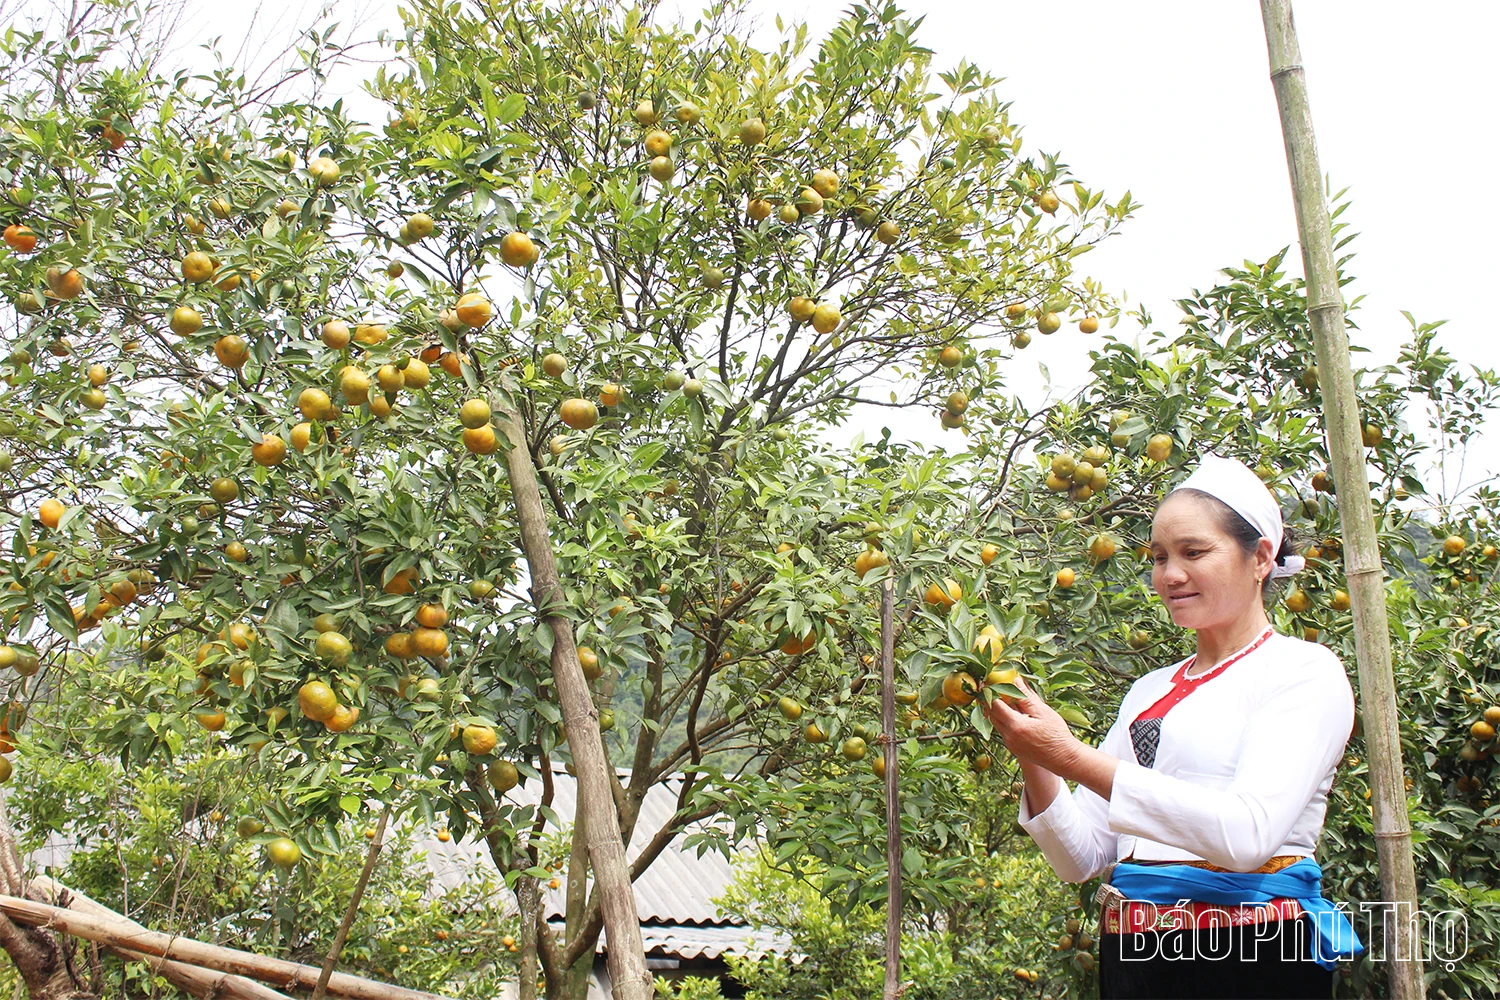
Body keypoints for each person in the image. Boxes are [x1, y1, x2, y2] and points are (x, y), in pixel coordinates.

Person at [988, 454, 1364, 999]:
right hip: (1134, 962)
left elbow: (1245, 836)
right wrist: (1033, 750)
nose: (1170, 574)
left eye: (1194, 552)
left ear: (1260, 557)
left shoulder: (1303, 673)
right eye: (1159, 556)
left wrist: (1069, 755)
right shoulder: (1150, 690)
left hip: (1250, 956)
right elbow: (1081, 857)